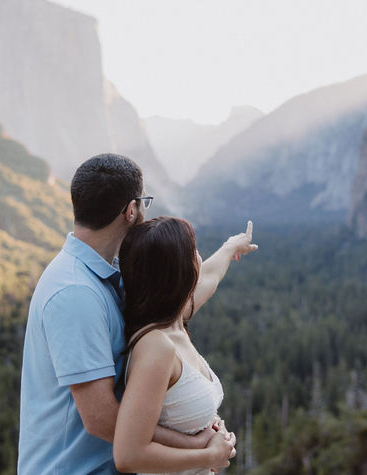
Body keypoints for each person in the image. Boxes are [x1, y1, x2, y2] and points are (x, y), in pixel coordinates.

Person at [18, 153, 226, 474]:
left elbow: (178, 298)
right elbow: (103, 420)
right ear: (131, 210)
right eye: (144, 203)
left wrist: (228, 250)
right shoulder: (75, 293)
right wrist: (199, 444)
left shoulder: (107, 274)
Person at [113, 216, 257, 475]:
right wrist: (207, 456)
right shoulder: (157, 347)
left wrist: (232, 246)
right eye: (194, 251)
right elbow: (128, 454)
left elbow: (210, 278)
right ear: (180, 272)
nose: (200, 258)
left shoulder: (174, 320)